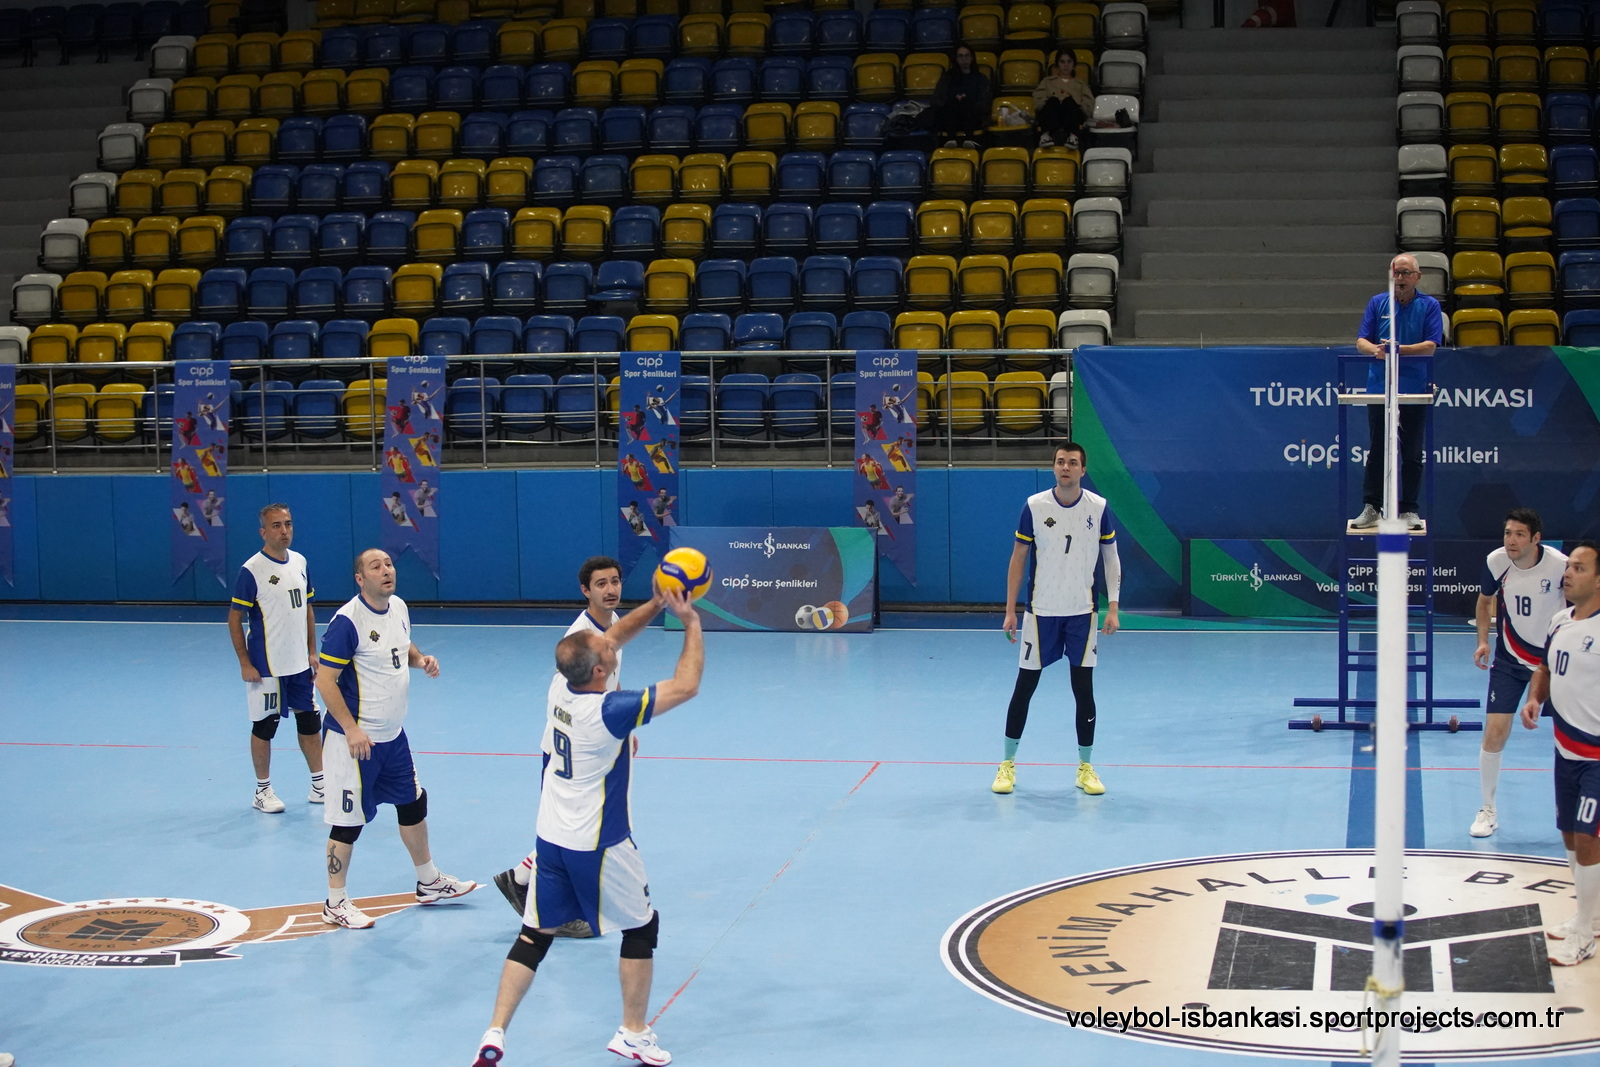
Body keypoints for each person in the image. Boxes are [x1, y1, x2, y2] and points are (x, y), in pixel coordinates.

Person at [470, 582, 705, 1067]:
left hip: (550, 838)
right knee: (641, 927)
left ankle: (494, 1032)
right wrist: (691, 623)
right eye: (606, 650)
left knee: (534, 936)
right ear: (600, 671)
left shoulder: (562, 686)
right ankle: (633, 1032)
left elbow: (612, 637)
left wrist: (655, 604)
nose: (611, 642)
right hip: (599, 843)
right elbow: (686, 686)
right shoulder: (610, 711)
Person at [316, 548, 477, 929]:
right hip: (355, 742)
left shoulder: (399, 607)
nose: (386, 570)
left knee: (413, 802)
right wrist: (351, 729)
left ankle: (428, 881)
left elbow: (402, 647)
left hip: (393, 737)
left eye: (388, 564)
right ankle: (335, 903)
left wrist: (420, 660)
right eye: (376, 567)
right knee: (348, 824)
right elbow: (324, 680)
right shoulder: (347, 622)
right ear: (360, 579)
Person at [492, 556, 638, 938]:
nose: (611, 589)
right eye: (601, 584)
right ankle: (539, 904)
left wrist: (621, 727)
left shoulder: (613, 623)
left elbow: (609, 680)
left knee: (572, 826)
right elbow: (566, 701)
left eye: (615, 581)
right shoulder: (579, 639)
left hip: (591, 744)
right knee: (569, 829)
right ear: (585, 591)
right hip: (569, 751)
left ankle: (520, 878)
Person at [993, 441, 1121, 797]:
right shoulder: (1034, 506)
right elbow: (1018, 558)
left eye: (1073, 462)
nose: (1066, 467)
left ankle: (1085, 767)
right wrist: (1010, 611)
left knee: (1084, 691)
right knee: (1024, 688)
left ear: (1083, 469)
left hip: (1082, 614)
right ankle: (1007, 764)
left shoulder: (1099, 508)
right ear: (1054, 467)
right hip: (1041, 614)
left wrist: (1113, 607)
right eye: (1061, 462)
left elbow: (1111, 558)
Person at [1518, 541, 1600, 967]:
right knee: (1569, 834)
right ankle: (1590, 914)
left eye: (1580, 568)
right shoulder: (1560, 620)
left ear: (1599, 580)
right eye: (1568, 567)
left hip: (1597, 757)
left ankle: (1584, 936)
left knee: (1588, 838)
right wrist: (1535, 698)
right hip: (1564, 750)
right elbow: (1544, 668)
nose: (1568, 574)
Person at [1470, 508, 1568, 838]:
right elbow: (1484, 601)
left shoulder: (1560, 566)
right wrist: (1483, 641)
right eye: (1508, 533)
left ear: (1535, 538)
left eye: (1519, 535)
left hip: (1553, 664)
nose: (1511, 541)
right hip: (1510, 661)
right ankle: (1488, 809)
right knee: (1494, 733)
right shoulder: (1496, 561)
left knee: (1575, 734)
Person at [228, 504, 323, 814]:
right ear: (263, 532)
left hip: (299, 665)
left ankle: (320, 785)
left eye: (288, 524)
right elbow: (234, 619)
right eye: (277, 525)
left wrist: (312, 651)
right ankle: (262, 791)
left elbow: (307, 609)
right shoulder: (251, 570)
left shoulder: (300, 562)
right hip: (266, 666)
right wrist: (245, 663)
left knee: (310, 721)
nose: (284, 531)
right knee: (265, 726)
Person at [1350, 253, 1443, 531]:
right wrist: (1377, 350)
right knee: (1378, 450)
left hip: (1414, 389)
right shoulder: (1377, 303)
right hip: (1380, 388)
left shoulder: (1429, 305)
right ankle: (1371, 507)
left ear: (1417, 277)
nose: (1400, 278)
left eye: (1405, 273)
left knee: (1411, 452)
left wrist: (1399, 350)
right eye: (1396, 273)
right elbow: (1361, 341)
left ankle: (1410, 510)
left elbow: (1430, 346)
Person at [928, 43, 991, 149]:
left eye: (967, 55)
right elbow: (937, 99)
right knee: (952, 103)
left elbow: (985, 102)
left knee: (967, 102)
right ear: (956, 59)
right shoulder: (947, 78)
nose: (964, 59)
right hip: (950, 118)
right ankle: (951, 139)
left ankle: (969, 139)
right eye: (960, 56)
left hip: (974, 118)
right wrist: (955, 99)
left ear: (972, 58)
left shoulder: (981, 78)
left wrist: (966, 100)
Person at [1032, 51, 1095, 149]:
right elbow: (1039, 100)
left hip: (1072, 114)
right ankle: (1045, 136)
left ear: (1074, 64)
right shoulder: (1047, 81)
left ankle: (1073, 137)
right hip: (1052, 113)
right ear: (1057, 64)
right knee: (1053, 101)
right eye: (1062, 62)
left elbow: (1088, 103)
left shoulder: (1081, 84)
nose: (1066, 65)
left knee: (1068, 102)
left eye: (1069, 61)